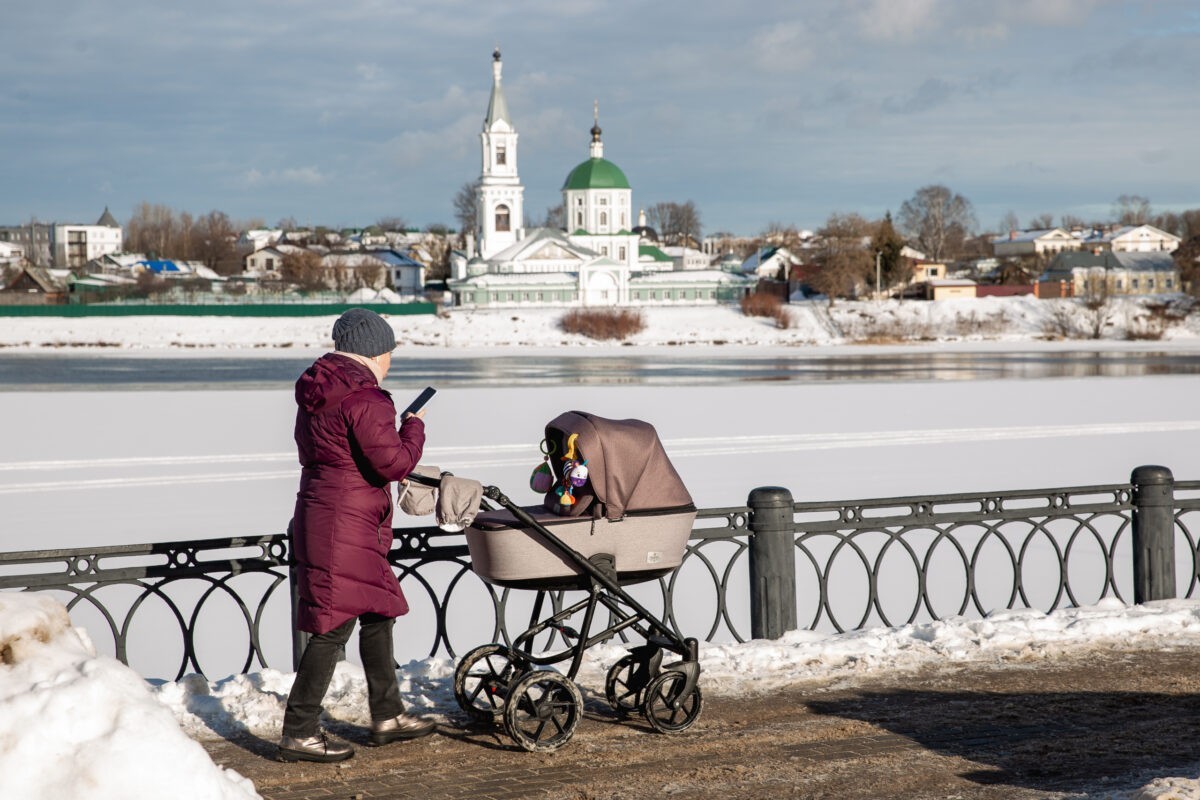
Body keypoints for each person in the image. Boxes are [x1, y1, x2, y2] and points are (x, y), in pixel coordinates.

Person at [279, 308, 435, 764]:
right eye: (388, 353)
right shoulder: (366, 398)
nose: (390, 361)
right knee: (332, 626)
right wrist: (414, 425)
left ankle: (387, 715)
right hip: (345, 520)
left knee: (377, 610)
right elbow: (394, 464)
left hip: (327, 511)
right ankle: (299, 731)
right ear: (372, 351)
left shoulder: (318, 389)